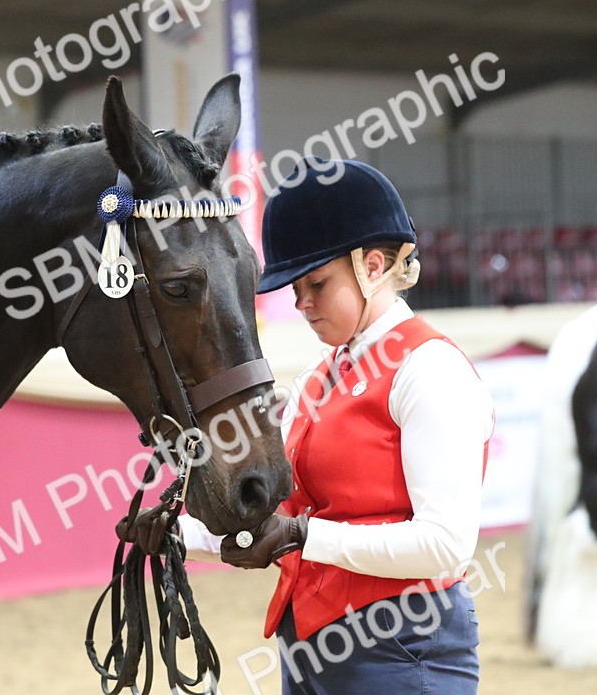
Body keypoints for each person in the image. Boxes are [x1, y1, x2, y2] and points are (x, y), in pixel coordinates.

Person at [119, 159, 495, 694]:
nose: (302, 303)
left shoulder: (430, 369)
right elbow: (281, 521)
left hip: (403, 650)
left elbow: (445, 544)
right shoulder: (319, 380)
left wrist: (303, 535)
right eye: (296, 288)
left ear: (372, 267)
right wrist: (179, 536)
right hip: (311, 646)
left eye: (317, 283)